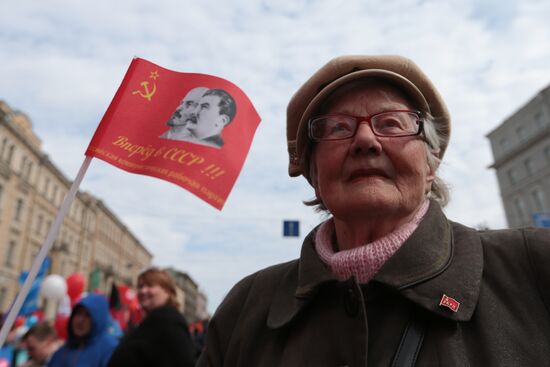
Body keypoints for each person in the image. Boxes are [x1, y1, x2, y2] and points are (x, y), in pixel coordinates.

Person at [197, 55, 550, 366]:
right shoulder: (246, 307)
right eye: (338, 128)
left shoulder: (533, 267)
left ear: (431, 165)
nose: (365, 141)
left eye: (391, 123)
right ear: (313, 175)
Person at [107, 268, 195, 367]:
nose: (143, 291)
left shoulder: (170, 323)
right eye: (140, 286)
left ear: (166, 290)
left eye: (150, 285)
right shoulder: (152, 321)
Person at [48, 294, 118, 367]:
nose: (80, 320)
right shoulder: (64, 350)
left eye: (87, 315)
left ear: (98, 318)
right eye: (78, 313)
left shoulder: (109, 349)